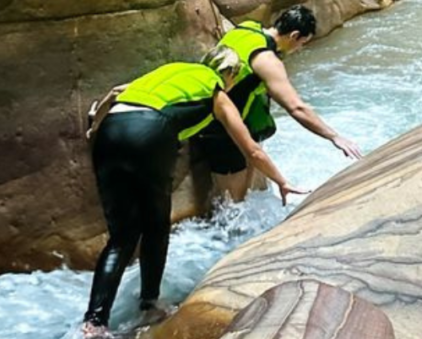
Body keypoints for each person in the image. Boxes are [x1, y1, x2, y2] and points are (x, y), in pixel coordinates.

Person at [81, 46, 303, 337]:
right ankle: (149, 303)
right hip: (150, 131)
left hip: (111, 129)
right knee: (155, 226)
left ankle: (94, 323)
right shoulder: (217, 91)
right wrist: (283, 182)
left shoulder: (172, 71)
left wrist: (94, 125)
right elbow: (251, 149)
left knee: (122, 236)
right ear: (230, 74)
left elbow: (114, 93)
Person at [193, 5, 363, 202]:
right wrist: (335, 137)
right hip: (221, 129)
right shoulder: (267, 60)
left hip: (219, 116)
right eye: (302, 43)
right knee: (235, 203)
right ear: (294, 35)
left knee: (256, 190)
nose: (299, 49)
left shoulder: (246, 28)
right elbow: (296, 107)